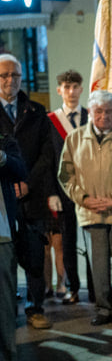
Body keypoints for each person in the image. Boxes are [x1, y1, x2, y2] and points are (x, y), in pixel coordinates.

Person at [58, 90, 112, 328]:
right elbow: (65, 177)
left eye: (109, 111)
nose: (104, 116)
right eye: (98, 111)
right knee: (98, 268)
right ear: (90, 112)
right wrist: (83, 198)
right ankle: (105, 309)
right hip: (90, 213)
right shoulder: (74, 139)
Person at [0, 54, 59, 330]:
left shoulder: (36, 112)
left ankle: (35, 308)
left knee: (35, 257)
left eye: (15, 75)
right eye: (4, 75)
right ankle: (7, 312)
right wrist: (10, 185)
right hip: (2, 202)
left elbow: (48, 156)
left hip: (32, 199)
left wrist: (27, 183)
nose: (10, 80)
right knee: (5, 261)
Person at [47, 69, 87, 305]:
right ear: (59, 90)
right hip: (63, 191)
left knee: (94, 241)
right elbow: (48, 159)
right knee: (69, 241)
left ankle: (96, 288)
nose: (71, 92)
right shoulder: (50, 121)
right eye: (66, 87)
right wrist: (52, 192)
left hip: (92, 188)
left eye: (75, 87)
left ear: (81, 89)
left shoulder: (93, 116)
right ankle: (73, 287)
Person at [0, 132, 26, 361]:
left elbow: (21, 171)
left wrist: (2, 157)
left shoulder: (3, 140)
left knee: (4, 310)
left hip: (2, 237)